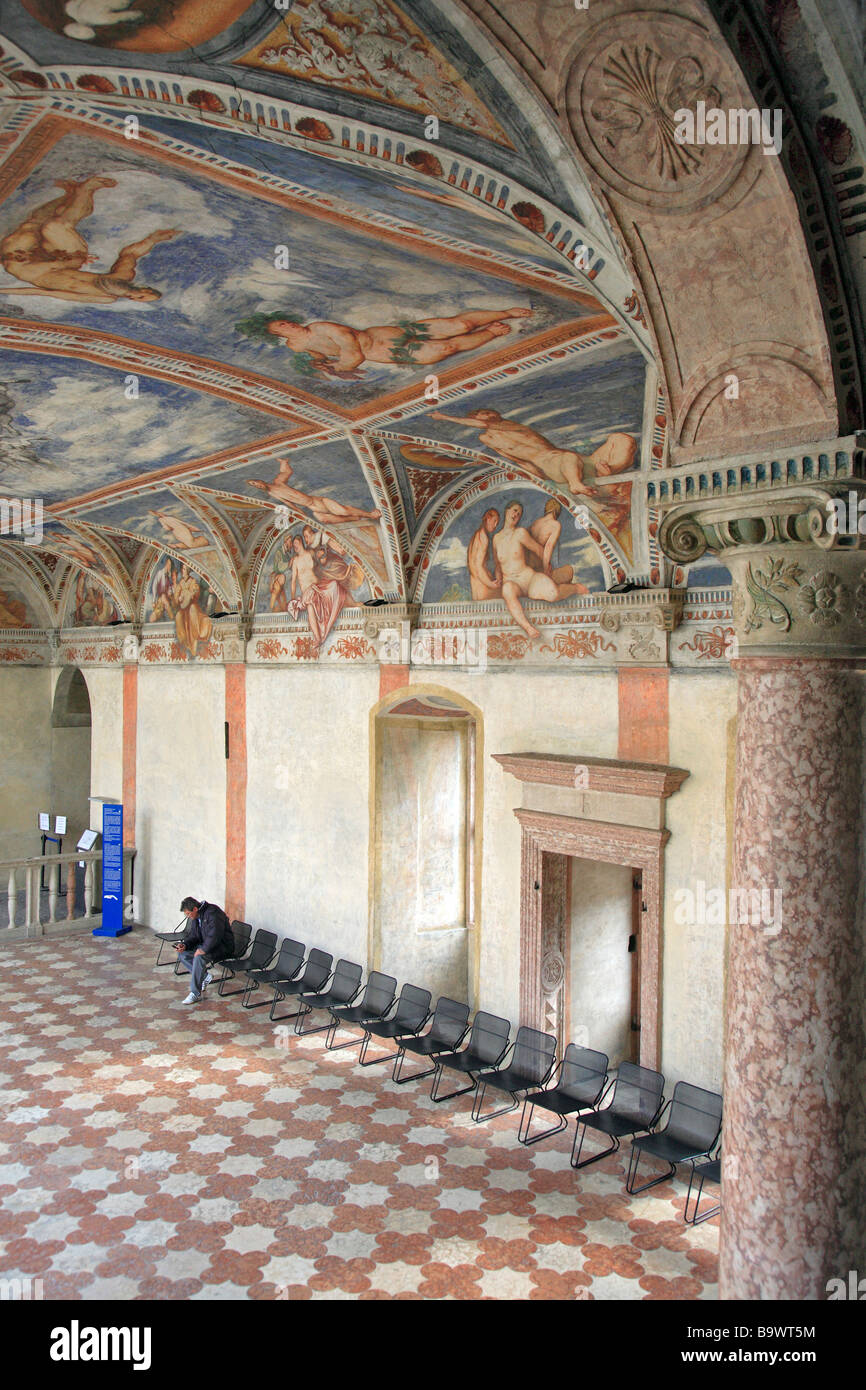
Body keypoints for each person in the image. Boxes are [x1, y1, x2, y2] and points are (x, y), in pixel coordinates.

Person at [0, 176, 179, 304]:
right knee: (54, 227)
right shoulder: (123, 276)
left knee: (29, 228)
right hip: (67, 260)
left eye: (141, 298)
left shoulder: (104, 298)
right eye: (145, 293)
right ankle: (84, 190)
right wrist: (152, 239)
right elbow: (130, 253)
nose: (136, 295)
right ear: (145, 288)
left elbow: (53, 294)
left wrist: (3, 291)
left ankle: (70, 195)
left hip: (31, 269)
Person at [236, 307, 532, 379]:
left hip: (382, 336)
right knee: (445, 349)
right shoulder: (295, 347)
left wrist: (343, 366)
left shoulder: (319, 326)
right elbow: (318, 358)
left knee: (458, 325)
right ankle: (492, 332)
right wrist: (325, 366)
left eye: (285, 320)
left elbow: (350, 345)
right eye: (282, 327)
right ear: (279, 335)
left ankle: (505, 312)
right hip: (381, 353)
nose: (289, 325)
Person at [430, 407, 636, 496]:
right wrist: (446, 418)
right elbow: (517, 461)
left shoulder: (510, 425)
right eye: (482, 414)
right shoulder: (488, 437)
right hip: (551, 465)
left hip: (570, 460)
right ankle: (575, 485)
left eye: (488, 411)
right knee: (568, 457)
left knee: (621, 439)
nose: (487, 415)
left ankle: (609, 471)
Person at [174, 896, 234, 1005]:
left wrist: (203, 949)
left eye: (188, 914)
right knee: (183, 954)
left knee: (199, 957)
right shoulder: (196, 917)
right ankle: (205, 976)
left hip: (222, 947)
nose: (188, 916)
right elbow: (194, 935)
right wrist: (185, 945)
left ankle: (194, 993)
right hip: (208, 945)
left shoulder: (213, 913)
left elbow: (215, 935)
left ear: (195, 909)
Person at [467, 508, 503, 600]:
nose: (495, 525)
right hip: (483, 588)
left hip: (476, 587)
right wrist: (491, 584)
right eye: (494, 521)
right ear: (487, 518)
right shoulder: (483, 537)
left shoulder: (477, 535)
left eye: (497, 523)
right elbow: (478, 567)